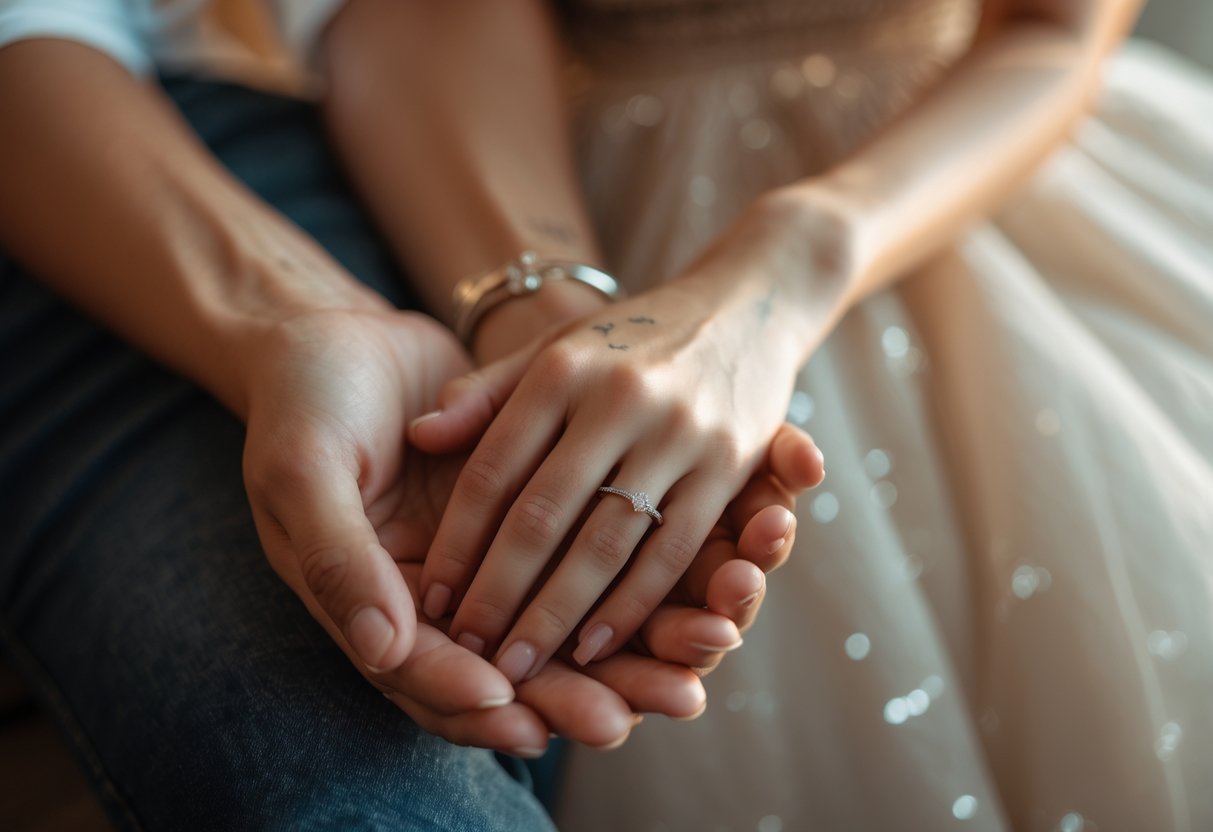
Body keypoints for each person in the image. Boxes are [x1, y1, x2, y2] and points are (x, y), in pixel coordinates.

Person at [332, 0, 1212, 829]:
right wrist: (551, 322)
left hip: (962, 162)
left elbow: (1054, 28)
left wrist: (776, 273)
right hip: (535, 171)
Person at [0, 2, 827, 829]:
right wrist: (292, 321)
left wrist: (554, 341)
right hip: (86, 163)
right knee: (358, 788)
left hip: (317, 140)